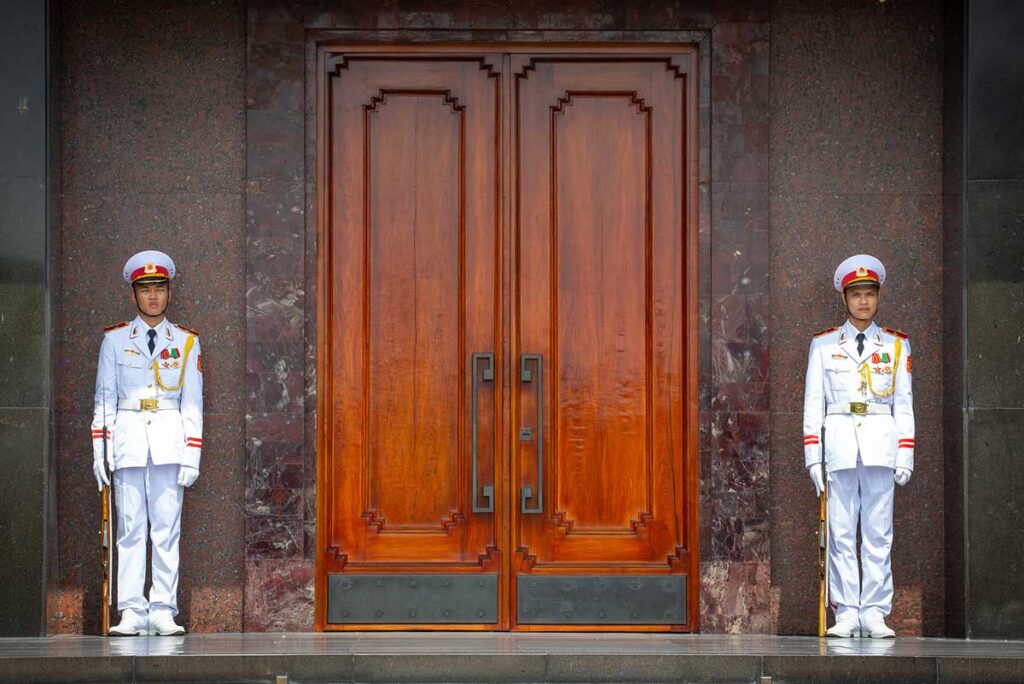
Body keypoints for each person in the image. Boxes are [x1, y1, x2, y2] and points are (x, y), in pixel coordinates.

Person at [91, 250, 203, 636]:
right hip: (128, 442)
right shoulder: (115, 340)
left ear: (169, 292)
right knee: (131, 529)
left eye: (159, 288)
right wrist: (100, 452)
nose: (153, 296)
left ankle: (162, 609)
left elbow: (193, 403)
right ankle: (132, 611)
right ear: (134, 294)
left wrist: (193, 455)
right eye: (145, 289)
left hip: (170, 444)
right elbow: (104, 400)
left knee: (166, 529)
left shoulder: (187, 342)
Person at [802, 254, 914, 638]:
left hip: (881, 446)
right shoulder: (824, 345)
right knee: (842, 532)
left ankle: (875, 611)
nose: (863, 301)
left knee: (879, 532)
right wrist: (812, 457)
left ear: (878, 297)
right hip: (840, 447)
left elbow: (904, 404)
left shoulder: (897, 345)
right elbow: (813, 404)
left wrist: (906, 453)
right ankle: (847, 610)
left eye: (869, 294)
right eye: (856, 295)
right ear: (845, 299)